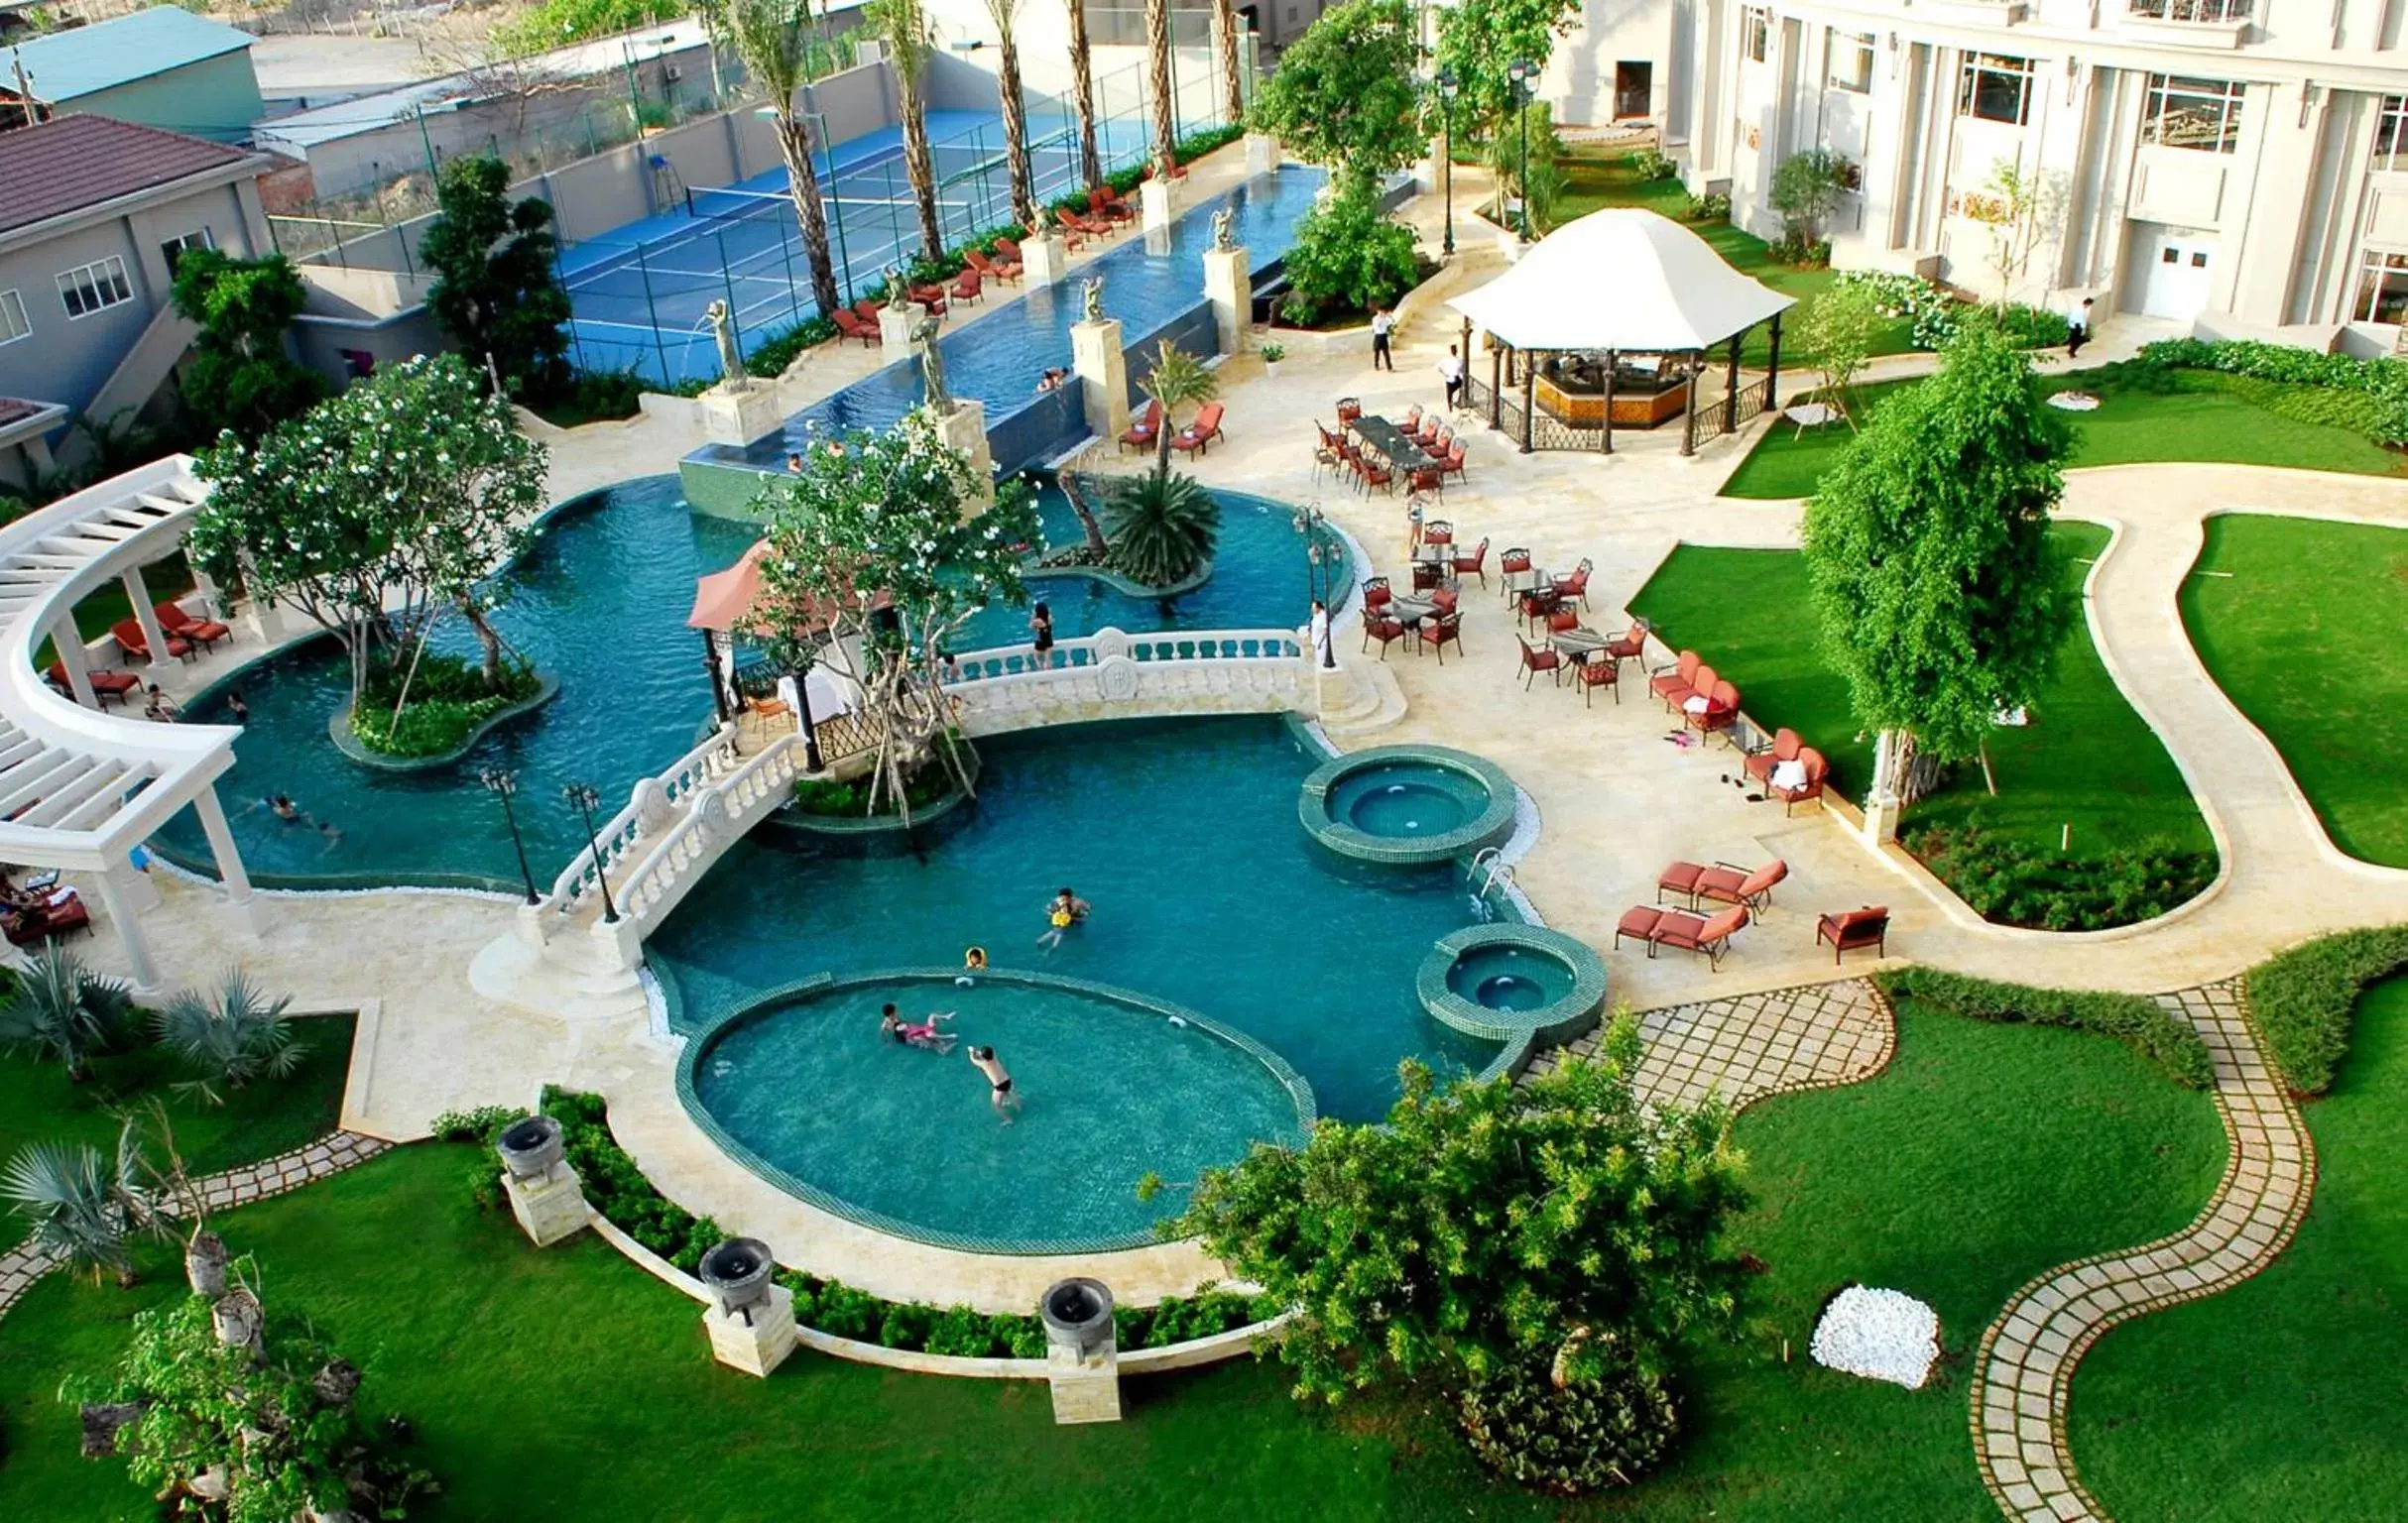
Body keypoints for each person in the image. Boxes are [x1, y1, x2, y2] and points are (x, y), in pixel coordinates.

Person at [968, 1045, 1021, 1123]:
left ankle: (1008, 1119)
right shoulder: (994, 1057)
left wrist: (971, 1052)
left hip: (999, 1087)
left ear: (983, 1058)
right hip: (1007, 1081)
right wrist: (980, 1053)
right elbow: (990, 1050)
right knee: (1009, 1094)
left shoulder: (984, 1064)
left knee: (996, 1105)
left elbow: (973, 1060)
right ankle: (1019, 1107)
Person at [1035, 886, 1089, 950]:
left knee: (1077, 931)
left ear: (1070, 897)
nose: (1063, 900)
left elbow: (1088, 908)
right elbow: (1048, 908)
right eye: (1062, 898)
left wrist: (1085, 914)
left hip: (1075, 918)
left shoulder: (1078, 902)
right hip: (1062, 919)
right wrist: (1050, 914)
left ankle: (1047, 943)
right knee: (1058, 930)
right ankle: (1051, 945)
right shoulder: (1057, 901)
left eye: (1065, 899)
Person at [1028, 602, 1055, 668]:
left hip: (1041, 640)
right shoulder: (1049, 617)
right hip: (1049, 639)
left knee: (1037, 658)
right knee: (1048, 660)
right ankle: (1049, 671)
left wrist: (1032, 616)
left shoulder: (1037, 621)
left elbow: (1030, 627)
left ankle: (1041, 670)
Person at [1370, 306, 1396, 372]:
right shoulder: (1375, 318)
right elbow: (1377, 325)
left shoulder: (1386, 319)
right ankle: (1376, 365)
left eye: (1383, 312)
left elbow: (1392, 323)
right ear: (1378, 312)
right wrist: (1382, 318)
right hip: (1378, 336)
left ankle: (1389, 367)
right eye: (1380, 312)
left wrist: (1390, 316)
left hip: (1384, 336)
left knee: (1386, 354)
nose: (1382, 313)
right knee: (1377, 353)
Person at [1439, 344, 1465, 410]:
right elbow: (1438, 367)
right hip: (1450, 379)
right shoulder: (1446, 360)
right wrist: (1445, 373)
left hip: (1456, 378)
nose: (1454, 351)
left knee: (1459, 390)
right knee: (1449, 395)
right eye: (1453, 350)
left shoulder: (1460, 360)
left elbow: (1462, 370)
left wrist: (1460, 374)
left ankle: (1457, 402)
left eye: (1454, 350)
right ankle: (1450, 407)